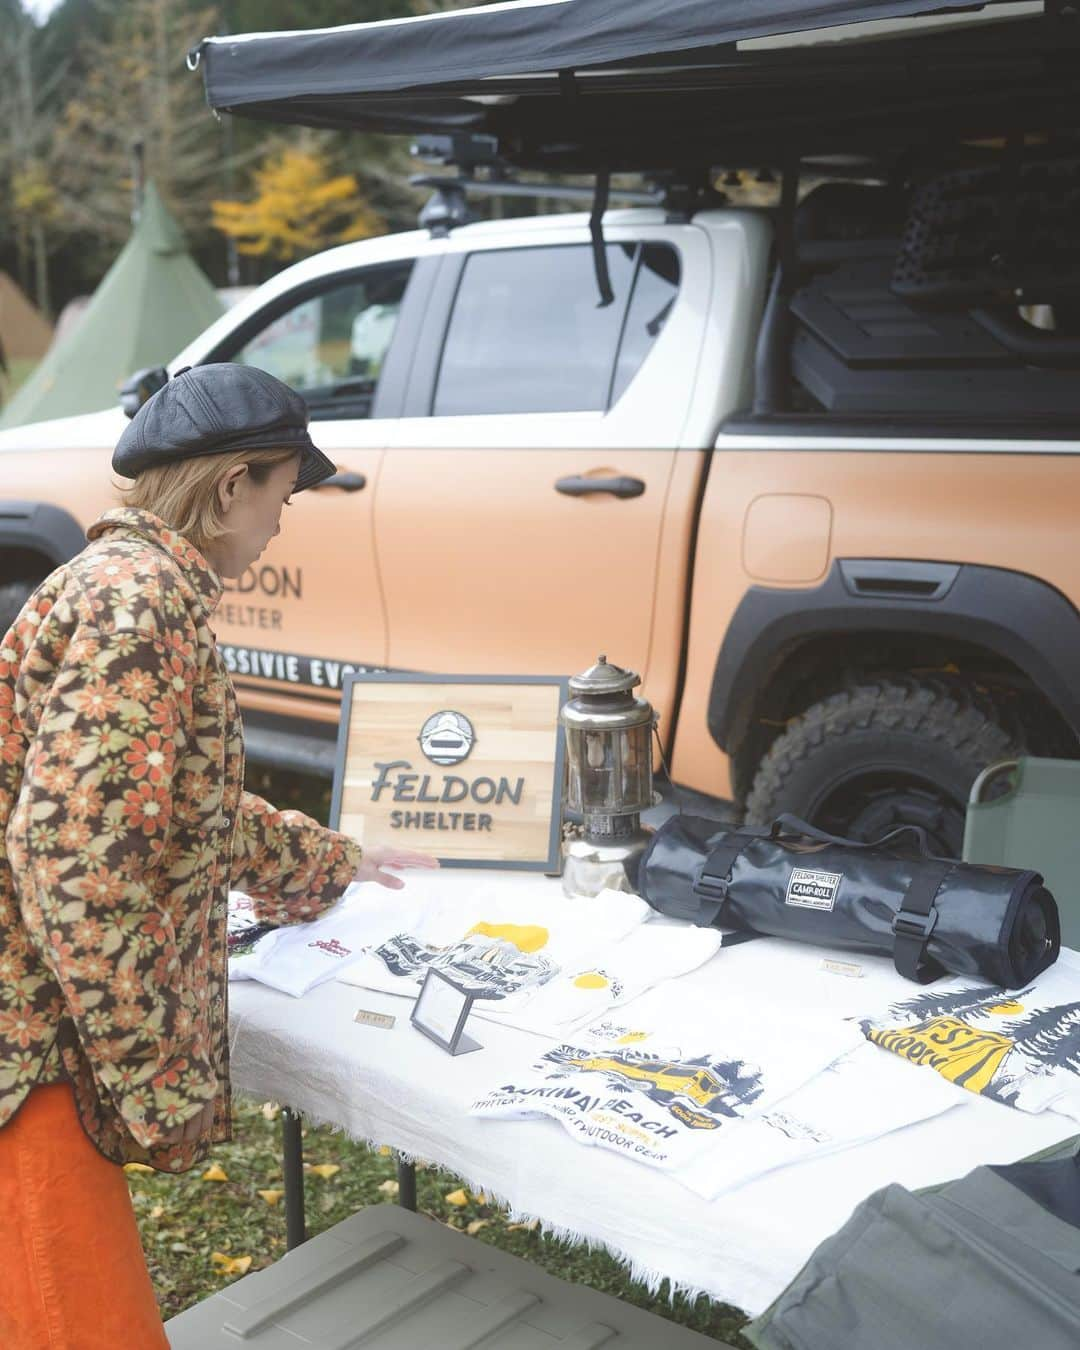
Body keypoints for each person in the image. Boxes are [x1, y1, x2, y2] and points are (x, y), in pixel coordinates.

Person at [0, 363, 437, 1348]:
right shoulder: (144, 602)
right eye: (285, 491)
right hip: (31, 1048)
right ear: (233, 484)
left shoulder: (127, 579)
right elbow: (78, 853)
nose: (286, 518)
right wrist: (154, 1067)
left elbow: (174, 808)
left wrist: (332, 863)